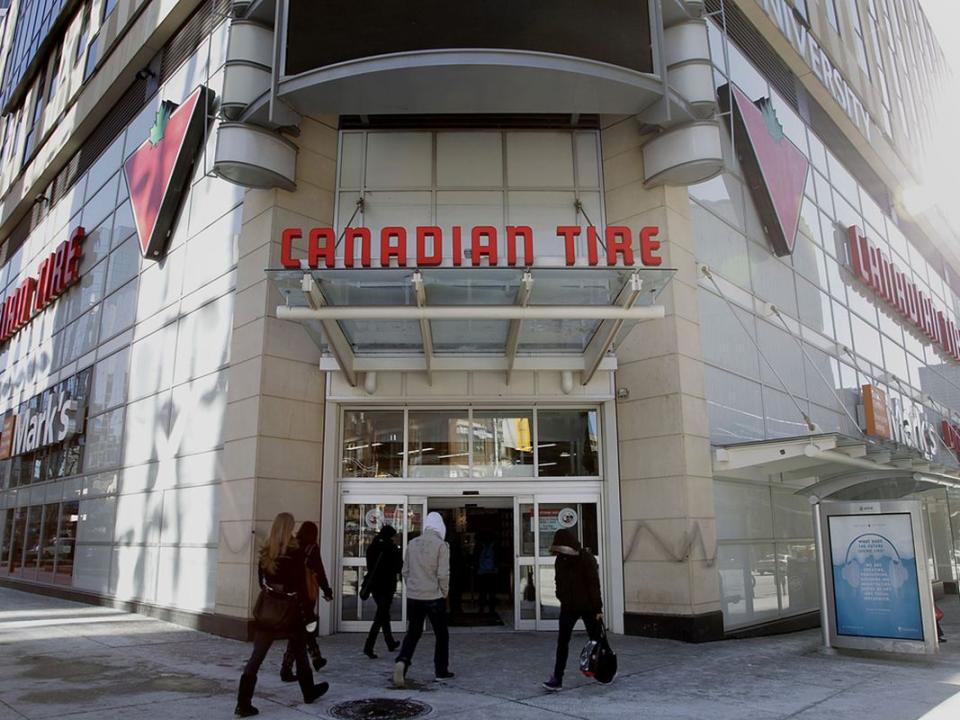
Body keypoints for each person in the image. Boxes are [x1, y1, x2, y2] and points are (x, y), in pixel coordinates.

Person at [235, 513, 328, 717]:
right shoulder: (296, 555)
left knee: (256, 657)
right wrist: (308, 614)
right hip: (291, 612)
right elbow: (301, 588)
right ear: (289, 529)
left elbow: (262, 583)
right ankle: (308, 691)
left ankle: (243, 702)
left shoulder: (266, 552)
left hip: (268, 611)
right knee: (300, 652)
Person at [393, 512, 453, 688]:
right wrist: (444, 593)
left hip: (414, 597)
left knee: (413, 633)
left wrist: (412, 586)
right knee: (441, 634)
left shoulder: (412, 544)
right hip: (434, 597)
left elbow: (405, 571)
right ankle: (441, 670)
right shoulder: (441, 546)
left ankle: (402, 661)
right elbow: (443, 574)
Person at [542, 528, 603, 692]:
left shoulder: (586, 558)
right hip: (569, 607)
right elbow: (558, 581)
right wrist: (561, 597)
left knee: (596, 640)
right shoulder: (560, 560)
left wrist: (598, 608)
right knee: (562, 642)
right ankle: (557, 678)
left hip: (589, 608)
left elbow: (593, 585)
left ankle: (604, 669)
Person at [280, 521, 333, 681]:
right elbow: (319, 571)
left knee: (302, 628)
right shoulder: (311, 548)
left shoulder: (293, 546)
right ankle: (287, 667)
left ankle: (316, 658)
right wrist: (326, 590)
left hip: (292, 594)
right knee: (303, 629)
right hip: (306, 594)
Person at [363, 524, 403, 658]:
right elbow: (398, 567)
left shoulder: (372, 547)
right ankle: (369, 646)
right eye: (394, 536)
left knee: (383, 613)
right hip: (387, 586)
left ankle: (390, 642)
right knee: (381, 615)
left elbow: (369, 565)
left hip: (375, 585)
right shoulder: (391, 549)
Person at [473, 529, 499, 615]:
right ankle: (492, 609)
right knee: (492, 591)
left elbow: (475, 557)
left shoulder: (479, 545)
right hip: (492, 571)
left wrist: (476, 568)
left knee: (482, 592)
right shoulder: (495, 545)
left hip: (481, 571)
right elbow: (498, 557)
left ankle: (481, 608)